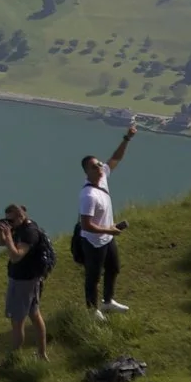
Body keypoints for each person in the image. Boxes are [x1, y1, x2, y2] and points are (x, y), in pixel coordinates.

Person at [74, 120, 135, 318]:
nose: (100, 166)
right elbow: (86, 225)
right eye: (95, 166)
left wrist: (127, 138)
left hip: (107, 238)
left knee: (113, 268)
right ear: (87, 172)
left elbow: (115, 159)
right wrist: (110, 230)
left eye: (99, 163)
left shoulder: (102, 177)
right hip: (93, 241)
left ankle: (108, 302)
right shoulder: (88, 195)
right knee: (93, 277)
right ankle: (93, 311)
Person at [0, 204, 50, 361]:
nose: (9, 223)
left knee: (17, 321)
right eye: (7, 220)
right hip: (23, 279)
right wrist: (2, 231)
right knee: (34, 314)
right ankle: (42, 355)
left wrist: (9, 236)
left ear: (21, 217)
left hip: (25, 281)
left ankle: (13, 359)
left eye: (11, 220)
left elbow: (16, 256)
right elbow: (1, 243)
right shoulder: (18, 226)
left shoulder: (29, 232)